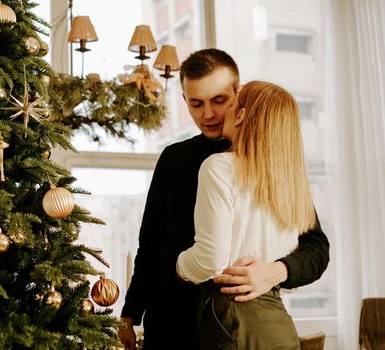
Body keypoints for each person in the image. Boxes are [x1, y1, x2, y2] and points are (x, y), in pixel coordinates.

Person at [118, 49, 329, 350]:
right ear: (184, 101)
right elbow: (150, 244)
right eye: (196, 103)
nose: (208, 114)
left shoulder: (275, 164)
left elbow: (317, 247)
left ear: (239, 97)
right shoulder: (174, 159)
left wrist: (277, 271)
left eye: (219, 101)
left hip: (234, 324)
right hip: (170, 325)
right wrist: (130, 312)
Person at [177, 80, 314, 349]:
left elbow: (210, 260)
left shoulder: (219, 168)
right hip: (277, 317)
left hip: (232, 312)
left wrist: (180, 265)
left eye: (232, 101)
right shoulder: (291, 185)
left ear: (241, 114)